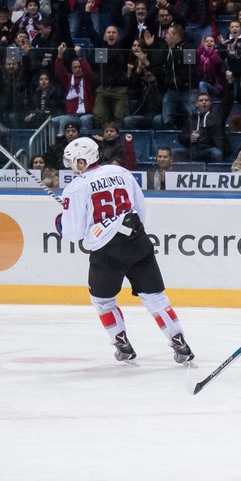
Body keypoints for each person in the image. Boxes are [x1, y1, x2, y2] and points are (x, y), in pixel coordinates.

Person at [57, 137, 194, 366]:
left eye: (75, 161)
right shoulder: (120, 172)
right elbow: (139, 207)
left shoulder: (76, 188)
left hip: (107, 251)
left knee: (103, 301)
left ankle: (122, 344)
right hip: (137, 239)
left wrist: (61, 222)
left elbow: (74, 233)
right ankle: (180, 343)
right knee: (156, 299)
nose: (73, 165)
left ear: (83, 161)